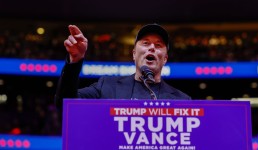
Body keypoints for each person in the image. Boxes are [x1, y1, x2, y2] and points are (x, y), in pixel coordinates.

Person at [55, 23, 191, 110]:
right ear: (134, 54)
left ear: (165, 58)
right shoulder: (106, 86)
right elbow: (65, 104)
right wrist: (75, 61)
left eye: (158, 45)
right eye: (145, 43)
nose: (151, 48)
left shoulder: (182, 101)